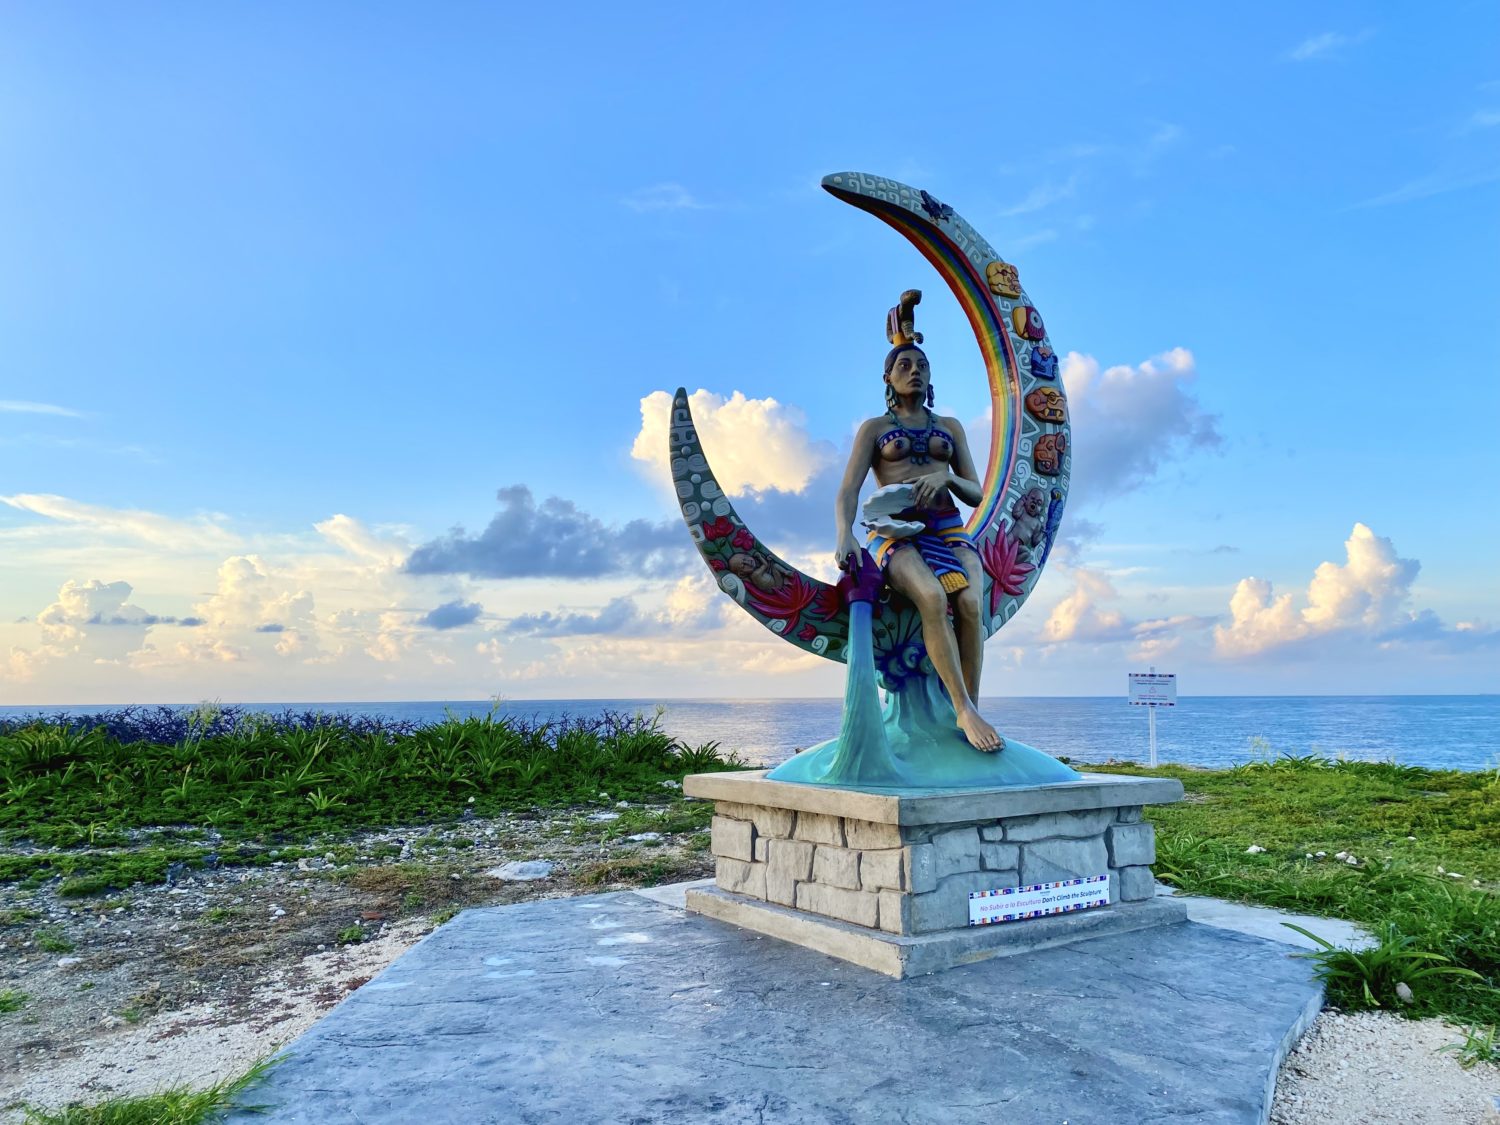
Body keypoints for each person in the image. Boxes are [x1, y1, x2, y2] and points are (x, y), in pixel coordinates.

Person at [833, 341, 1002, 752]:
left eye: (923, 365)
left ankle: (972, 707)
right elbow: (848, 491)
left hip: (946, 526)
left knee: (970, 603)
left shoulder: (950, 427)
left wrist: (947, 480)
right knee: (930, 596)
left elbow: (976, 493)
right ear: (887, 378)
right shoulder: (874, 429)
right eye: (904, 364)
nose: (915, 371)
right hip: (895, 529)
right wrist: (844, 533)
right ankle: (961, 707)